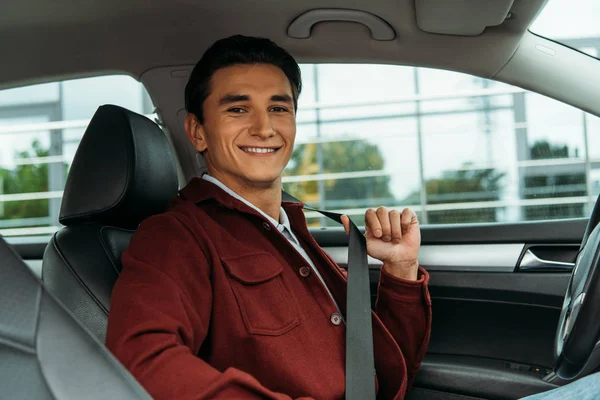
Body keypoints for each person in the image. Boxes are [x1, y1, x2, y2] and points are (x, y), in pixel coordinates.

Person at [106, 34, 431, 400]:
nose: (264, 128)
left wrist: (402, 271)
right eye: (237, 109)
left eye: (279, 108)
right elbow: (141, 363)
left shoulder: (293, 230)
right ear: (198, 132)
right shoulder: (175, 236)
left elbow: (382, 374)